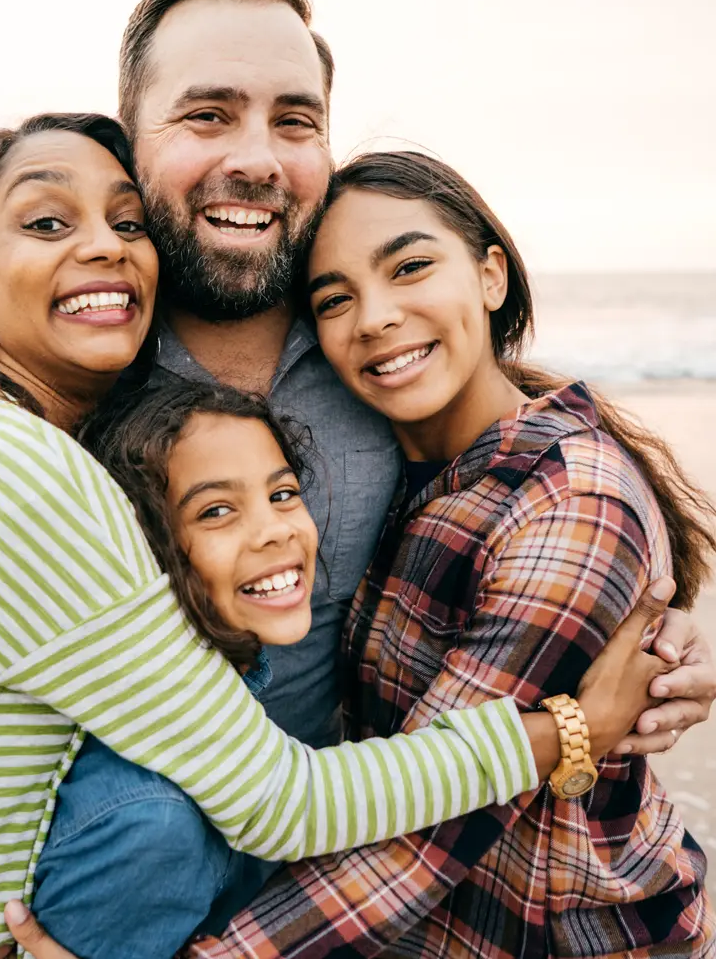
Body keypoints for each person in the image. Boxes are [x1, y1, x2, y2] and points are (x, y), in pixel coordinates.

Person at [0, 0, 716, 946]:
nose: (255, 157)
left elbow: (515, 467)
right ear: (133, 140)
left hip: (330, 866)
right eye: (207, 115)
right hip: (120, 870)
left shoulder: (361, 332)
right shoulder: (93, 331)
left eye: (294, 121)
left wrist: (650, 606)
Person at [183, 152, 716, 957]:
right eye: (335, 299)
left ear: (491, 275)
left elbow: (428, 834)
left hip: (557, 935)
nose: (375, 317)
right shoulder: (364, 468)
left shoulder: (571, 501)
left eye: (411, 267)